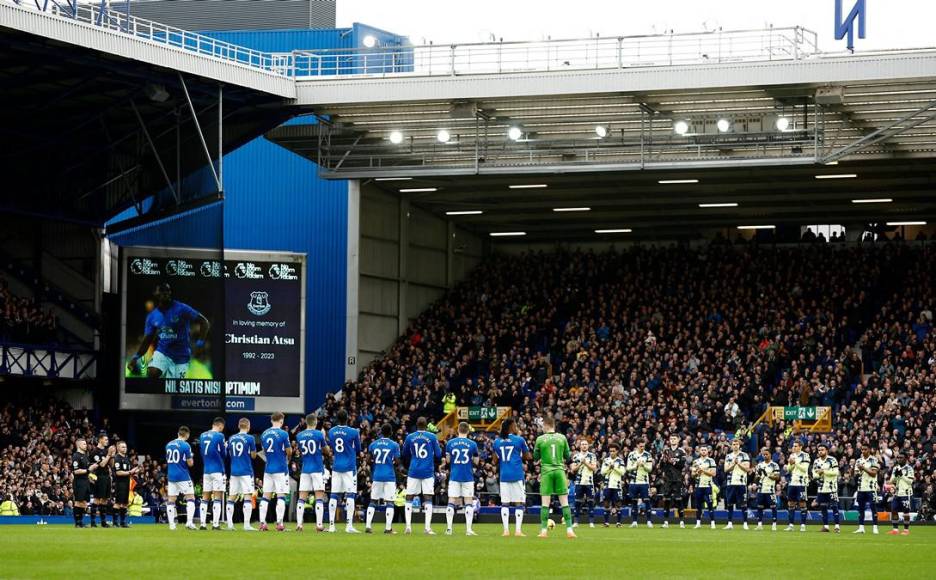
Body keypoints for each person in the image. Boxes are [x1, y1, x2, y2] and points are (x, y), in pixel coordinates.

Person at [127, 282, 210, 379]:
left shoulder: (182, 308)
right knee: (152, 373)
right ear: (156, 293)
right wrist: (136, 357)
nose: (165, 293)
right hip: (163, 352)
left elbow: (204, 322)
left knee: (174, 388)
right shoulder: (152, 316)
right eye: (162, 290)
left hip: (181, 356)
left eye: (168, 290)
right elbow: (147, 340)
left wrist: (200, 344)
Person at [534, 415, 575, 539]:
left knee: (545, 504)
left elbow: (535, 457)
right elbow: (568, 456)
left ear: (546, 426)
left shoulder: (540, 439)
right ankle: (570, 530)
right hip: (559, 471)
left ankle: (544, 531)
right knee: (565, 503)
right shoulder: (562, 438)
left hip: (546, 471)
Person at [402, 416, 442, 535]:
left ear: (416, 425)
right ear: (426, 426)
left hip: (413, 470)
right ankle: (427, 528)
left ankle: (408, 526)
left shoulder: (410, 437)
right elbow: (439, 454)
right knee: (428, 498)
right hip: (427, 471)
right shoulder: (432, 437)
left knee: (409, 497)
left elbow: (405, 454)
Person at [493, 417, 530, 537]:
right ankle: (518, 531)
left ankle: (506, 531)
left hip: (504, 475)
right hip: (517, 474)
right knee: (519, 503)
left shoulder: (497, 442)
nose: (516, 427)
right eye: (515, 425)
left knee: (505, 503)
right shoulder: (519, 440)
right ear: (511, 427)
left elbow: (494, 460)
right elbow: (528, 456)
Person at [327, 409, 362, 533]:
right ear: (348, 418)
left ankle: (331, 526)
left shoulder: (331, 431)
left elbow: (332, 446)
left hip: (336, 466)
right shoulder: (353, 432)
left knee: (334, 495)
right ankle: (349, 526)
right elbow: (358, 449)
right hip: (349, 467)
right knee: (350, 495)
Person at [296, 413, 330, 532]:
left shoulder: (299, 435)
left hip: (305, 469)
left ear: (306, 422)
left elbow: (301, 451)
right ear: (315, 422)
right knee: (319, 497)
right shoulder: (319, 434)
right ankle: (319, 525)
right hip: (317, 468)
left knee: (302, 498)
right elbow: (327, 451)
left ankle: (299, 525)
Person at [444, 421, 479, 536]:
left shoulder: (450, 443)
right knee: (468, 501)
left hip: (454, 475)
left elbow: (448, 461)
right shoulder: (472, 444)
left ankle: (449, 529)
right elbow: (476, 461)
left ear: (458, 430)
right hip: (467, 475)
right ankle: (468, 530)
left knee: (451, 501)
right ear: (468, 431)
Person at [259, 412, 291, 532]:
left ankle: (262, 523)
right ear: (281, 421)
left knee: (265, 496)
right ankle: (280, 524)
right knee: (281, 496)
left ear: (271, 420)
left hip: (268, 468)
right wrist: (287, 457)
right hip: (281, 468)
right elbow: (289, 451)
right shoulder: (283, 433)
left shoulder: (264, 434)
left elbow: (264, 450)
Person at [366, 423, 400, 534]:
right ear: (390, 433)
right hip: (389, 476)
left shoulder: (373, 444)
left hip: (377, 475)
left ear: (381, 432)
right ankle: (388, 528)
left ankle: (368, 526)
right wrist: (392, 462)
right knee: (389, 502)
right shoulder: (394, 445)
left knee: (373, 501)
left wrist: (374, 461)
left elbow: (367, 460)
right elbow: (397, 462)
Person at [226, 418, 258, 530]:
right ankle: (246, 525)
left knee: (231, 497)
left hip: (234, 470)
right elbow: (254, 456)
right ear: (248, 427)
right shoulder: (250, 438)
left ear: (238, 426)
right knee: (247, 496)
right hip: (246, 471)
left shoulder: (231, 438)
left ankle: (230, 525)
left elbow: (230, 454)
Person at [198, 417, 226, 530]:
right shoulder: (220, 436)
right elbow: (223, 453)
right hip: (217, 470)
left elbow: (201, 451)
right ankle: (215, 524)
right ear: (220, 425)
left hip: (206, 470)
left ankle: (202, 524)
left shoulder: (202, 435)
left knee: (205, 497)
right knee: (217, 497)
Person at [165, 426, 196, 530]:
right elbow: (190, 463)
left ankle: (171, 525)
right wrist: (191, 456)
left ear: (178, 433)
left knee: (171, 500)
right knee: (190, 498)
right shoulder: (186, 445)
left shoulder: (168, 444)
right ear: (187, 435)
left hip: (171, 475)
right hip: (183, 475)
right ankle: (189, 522)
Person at [659, 434, 688, 528]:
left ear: (678, 440)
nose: (672, 440)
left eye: (674, 439)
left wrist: (673, 461)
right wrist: (663, 460)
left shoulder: (681, 451)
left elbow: (682, 464)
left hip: (677, 479)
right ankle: (666, 522)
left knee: (678, 500)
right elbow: (661, 466)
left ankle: (682, 522)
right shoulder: (666, 451)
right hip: (667, 479)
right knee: (666, 500)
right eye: (671, 439)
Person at [812, 442, 841, 533]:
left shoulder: (832, 460)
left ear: (827, 451)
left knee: (834, 506)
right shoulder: (816, 461)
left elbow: (836, 472)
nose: (820, 451)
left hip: (832, 488)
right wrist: (818, 474)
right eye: (819, 450)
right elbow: (814, 475)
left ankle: (837, 526)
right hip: (821, 488)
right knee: (823, 507)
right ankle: (826, 526)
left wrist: (823, 471)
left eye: (822, 450)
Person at [723, 438, 751, 530]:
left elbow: (747, 469)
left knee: (743, 504)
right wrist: (733, 464)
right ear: (731, 446)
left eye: (737, 444)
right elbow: (726, 469)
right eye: (734, 444)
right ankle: (730, 523)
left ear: (739, 445)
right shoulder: (728, 456)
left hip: (741, 483)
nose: (735, 446)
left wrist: (738, 463)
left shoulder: (744, 455)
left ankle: (745, 523)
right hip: (730, 483)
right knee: (730, 504)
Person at [626, 437, 654, 528]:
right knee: (634, 502)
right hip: (633, 482)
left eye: (643, 446)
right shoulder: (631, 454)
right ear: (637, 445)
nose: (642, 448)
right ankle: (634, 522)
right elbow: (628, 468)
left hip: (644, 482)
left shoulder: (648, 455)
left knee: (647, 501)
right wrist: (636, 465)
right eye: (641, 446)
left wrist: (644, 465)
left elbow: (650, 469)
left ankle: (649, 521)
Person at [853, 443, 880, 535]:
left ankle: (875, 527)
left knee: (873, 507)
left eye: (865, 449)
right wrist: (858, 472)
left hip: (871, 488)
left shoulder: (874, 460)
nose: (863, 451)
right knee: (860, 509)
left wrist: (863, 468)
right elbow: (855, 474)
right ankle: (861, 528)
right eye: (862, 450)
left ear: (869, 450)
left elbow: (874, 473)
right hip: (861, 488)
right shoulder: (858, 461)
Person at [570, 438, 598, 528]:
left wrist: (585, 462)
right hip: (579, 482)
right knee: (577, 503)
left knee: (590, 502)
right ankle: (576, 522)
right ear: (580, 446)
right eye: (582, 444)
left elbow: (594, 469)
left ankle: (591, 522)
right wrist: (580, 464)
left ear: (588, 446)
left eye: (586, 444)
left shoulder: (592, 456)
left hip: (589, 482)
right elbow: (573, 469)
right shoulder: (576, 456)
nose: (584, 446)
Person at [784, 439, 811, 532]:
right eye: (793, 446)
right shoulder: (792, 455)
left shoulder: (805, 455)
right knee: (791, 503)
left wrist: (795, 462)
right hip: (792, 482)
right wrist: (791, 464)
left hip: (801, 483)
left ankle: (803, 525)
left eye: (795, 446)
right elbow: (788, 469)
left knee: (802, 503)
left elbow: (804, 469)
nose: (794, 447)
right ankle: (791, 525)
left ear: (800, 447)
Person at [89, 432, 114, 528]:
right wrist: (108, 454)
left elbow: (111, 465)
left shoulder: (107, 451)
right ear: (100, 440)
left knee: (105, 500)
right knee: (97, 499)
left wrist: (112, 455)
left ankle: (103, 522)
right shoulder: (95, 452)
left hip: (107, 477)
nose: (107, 441)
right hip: (99, 476)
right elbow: (102, 464)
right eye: (106, 439)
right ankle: (93, 522)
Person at [70, 437, 95, 528]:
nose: (86, 445)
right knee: (78, 502)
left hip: (85, 481)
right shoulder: (76, 456)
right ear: (79, 445)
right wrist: (88, 470)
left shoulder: (85, 456)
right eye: (84, 444)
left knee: (84, 502)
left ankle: (80, 522)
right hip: (79, 482)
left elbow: (87, 470)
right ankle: (77, 523)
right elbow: (76, 471)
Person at [112, 441, 138, 528]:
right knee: (118, 503)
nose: (125, 448)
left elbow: (127, 472)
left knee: (124, 503)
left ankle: (123, 522)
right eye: (122, 447)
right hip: (120, 483)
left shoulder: (126, 458)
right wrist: (130, 472)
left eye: (125, 447)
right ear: (118, 448)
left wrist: (133, 472)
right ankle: (115, 522)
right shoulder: (117, 458)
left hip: (127, 483)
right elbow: (118, 472)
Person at [600, 443, 626, 527]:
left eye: (613, 451)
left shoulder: (620, 461)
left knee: (618, 504)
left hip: (617, 485)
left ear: (617, 451)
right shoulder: (606, 460)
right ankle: (606, 522)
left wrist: (614, 467)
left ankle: (618, 523)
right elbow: (602, 472)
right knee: (606, 504)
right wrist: (609, 468)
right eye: (610, 451)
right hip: (607, 485)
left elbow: (622, 472)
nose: (611, 452)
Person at [754, 448, 780, 531]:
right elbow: (756, 478)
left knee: (773, 507)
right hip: (761, 489)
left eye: (766, 454)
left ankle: (774, 524)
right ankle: (759, 524)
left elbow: (777, 477)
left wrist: (768, 475)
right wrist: (757, 477)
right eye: (763, 454)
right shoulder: (759, 465)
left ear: (770, 455)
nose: (765, 456)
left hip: (770, 489)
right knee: (759, 507)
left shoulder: (774, 465)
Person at [888, 453, 914, 535]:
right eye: (898, 457)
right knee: (893, 510)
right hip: (897, 493)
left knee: (906, 512)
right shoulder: (896, 468)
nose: (899, 459)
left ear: (906, 459)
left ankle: (906, 530)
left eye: (901, 458)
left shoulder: (909, 468)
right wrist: (896, 476)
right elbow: (891, 480)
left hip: (906, 493)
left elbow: (910, 481)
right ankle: (895, 530)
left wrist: (901, 475)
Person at [691, 445, 716, 529]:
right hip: (698, 486)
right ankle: (698, 523)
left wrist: (703, 471)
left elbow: (713, 473)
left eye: (705, 450)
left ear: (707, 451)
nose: (703, 451)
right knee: (698, 505)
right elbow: (692, 474)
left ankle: (712, 522)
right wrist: (697, 472)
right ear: (699, 451)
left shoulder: (711, 461)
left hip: (708, 486)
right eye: (702, 450)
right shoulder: (696, 461)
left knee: (710, 504)